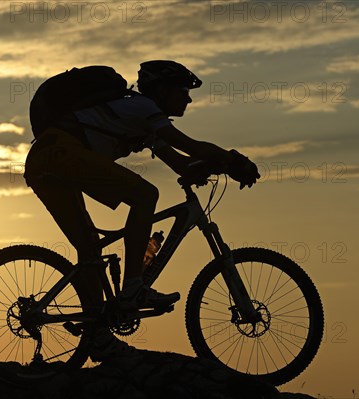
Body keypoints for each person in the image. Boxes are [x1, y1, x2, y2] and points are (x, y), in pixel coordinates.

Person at [23, 60, 260, 360]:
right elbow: (191, 146)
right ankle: (133, 287)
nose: (188, 98)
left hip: (44, 160)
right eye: (183, 90)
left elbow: (182, 162)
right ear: (162, 90)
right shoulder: (142, 107)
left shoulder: (144, 119)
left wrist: (214, 166)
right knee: (145, 195)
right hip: (61, 153)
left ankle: (96, 336)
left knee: (90, 252)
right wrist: (235, 160)